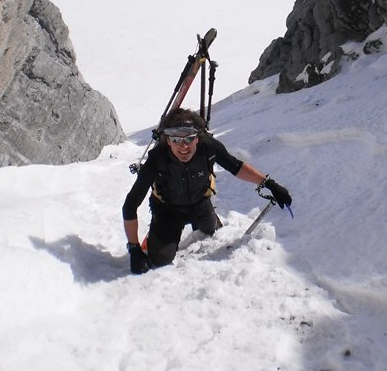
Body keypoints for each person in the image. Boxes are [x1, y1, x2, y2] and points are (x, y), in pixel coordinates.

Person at [122, 108, 292, 274]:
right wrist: (134, 249)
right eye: (176, 139)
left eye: (189, 139)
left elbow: (236, 166)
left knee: (215, 236)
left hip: (200, 204)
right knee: (160, 260)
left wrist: (269, 184)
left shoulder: (209, 147)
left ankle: (209, 221)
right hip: (168, 210)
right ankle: (155, 236)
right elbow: (130, 206)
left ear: (197, 137)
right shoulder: (157, 159)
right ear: (167, 140)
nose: (183, 146)